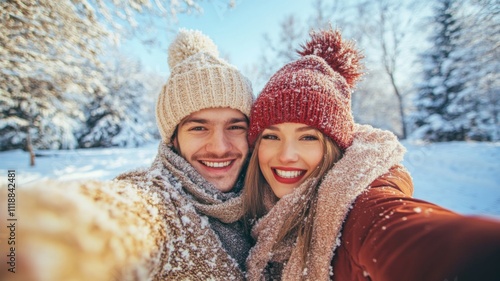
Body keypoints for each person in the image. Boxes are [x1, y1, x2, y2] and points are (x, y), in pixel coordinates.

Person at [242, 28, 500, 281]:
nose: (286, 156)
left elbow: (419, 242)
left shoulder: (357, 208)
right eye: (271, 136)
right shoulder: (247, 204)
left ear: (335, 147)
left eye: (308, 137)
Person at [0, 29, 254, 281]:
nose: (220, 147)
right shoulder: (159, 200)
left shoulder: (263, 196)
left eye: (235, 127)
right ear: (173, 139)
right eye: (199, 128)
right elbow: (119, 217)